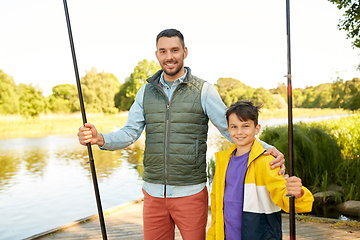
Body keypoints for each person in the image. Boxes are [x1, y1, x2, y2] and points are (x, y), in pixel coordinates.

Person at [77, 29, 286, 240]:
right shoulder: (145, 92)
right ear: (157, 55)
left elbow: (230, 129)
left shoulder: (203, 90)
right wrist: (100, 138)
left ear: (184, 52)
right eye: (163, 51)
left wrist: (266, 149)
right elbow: (130, 132)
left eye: (175, 50)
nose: (169, 56)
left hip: (191, 193)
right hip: (153, 193)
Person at [206, 100, 314, 240]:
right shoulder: (223, 162)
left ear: (257, 128)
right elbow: (217, 209)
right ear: (228, 129)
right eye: (234, 127)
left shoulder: (267, 161)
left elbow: (283, 196)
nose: (239, 132)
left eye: (246, 126)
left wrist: (298, 193)